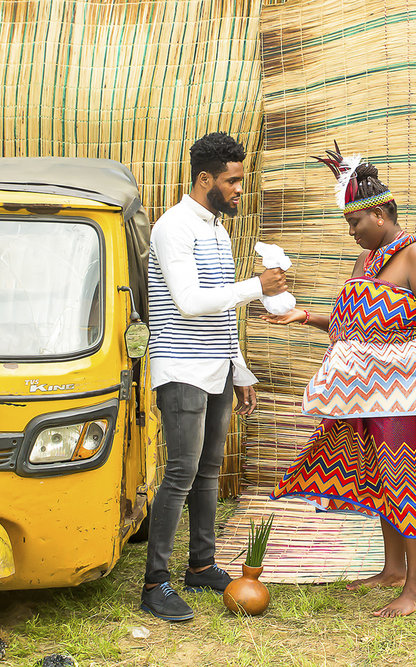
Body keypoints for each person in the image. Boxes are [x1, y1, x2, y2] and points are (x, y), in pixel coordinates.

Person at [265, 145, 416, 617]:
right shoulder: (368, 260)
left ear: (382, 213)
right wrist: (306, 317)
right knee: (386, 479)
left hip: (413, 390)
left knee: (412, 478)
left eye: (355, 223)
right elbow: (355, 320)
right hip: (371, 390)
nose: (351, 233)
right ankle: (393, 569)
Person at [142, 132, 288, 622]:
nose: (239, 190)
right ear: (205, 179)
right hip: (181, 366)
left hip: (216, 366)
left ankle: (201, 564)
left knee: (208, 472)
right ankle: (154, 582)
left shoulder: (218, 230)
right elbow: (189, 302)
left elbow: (222, 312)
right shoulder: (173, 228)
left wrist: (239, 367)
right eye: (233, 181)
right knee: (181, 472)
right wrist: (255, 286)